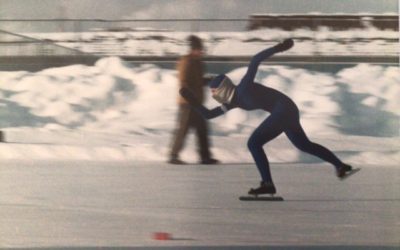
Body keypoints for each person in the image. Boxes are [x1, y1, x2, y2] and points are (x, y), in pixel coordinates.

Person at [180, 39, 354, 195]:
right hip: (287, 110)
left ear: (223, 90)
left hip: (284, 109)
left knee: (254, 143)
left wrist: (279, 47)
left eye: (213, 92)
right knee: (304, 145)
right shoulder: (233, 102)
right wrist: (192, 100)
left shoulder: (244, 87)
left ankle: (267, 184)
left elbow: (255, 60)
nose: (213, 95)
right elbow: (209, 115)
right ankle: (341, 166)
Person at [168, 35, 219, 165]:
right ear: (193, 49)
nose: (202, 52)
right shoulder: (186, 61)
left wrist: (208, 80)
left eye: (202, 49)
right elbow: (183, 81)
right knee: (183, 129)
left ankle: (205, 157)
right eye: (200, 49)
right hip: (188, 102)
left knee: (202, 129)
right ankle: (173, 155)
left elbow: (197, 81)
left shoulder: (198, 63)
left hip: (197, 103)